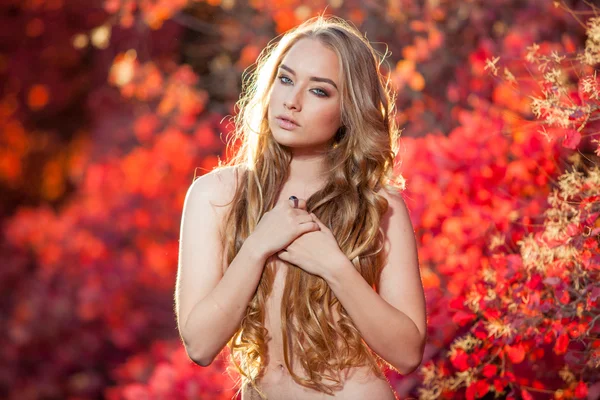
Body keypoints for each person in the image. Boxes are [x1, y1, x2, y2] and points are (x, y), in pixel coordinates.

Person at [175, 14, 427, 400]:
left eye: (319, 91)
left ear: (348, 111)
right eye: (286, 79)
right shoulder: (216, 195)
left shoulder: (379, 204)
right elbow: (200, 345)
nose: (291, 102)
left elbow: (407, 353)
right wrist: (258, 245)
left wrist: (332, 263)